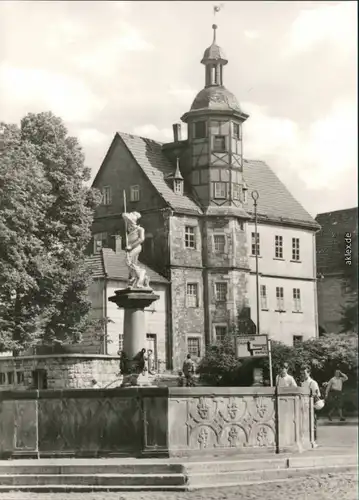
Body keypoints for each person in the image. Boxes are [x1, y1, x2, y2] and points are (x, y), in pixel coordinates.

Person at [300, 366, 322, 447]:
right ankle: (306, 440)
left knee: (312, 424)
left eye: (304, 373)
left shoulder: (313, 383)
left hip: (311, 406)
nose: (302, 375)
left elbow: (317, 394)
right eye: (301, 373)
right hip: (303, 406)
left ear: (309, 373)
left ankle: (313, 441)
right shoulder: (301, 382)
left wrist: (312, 396)